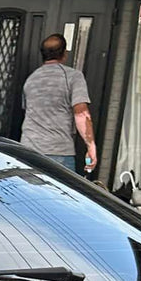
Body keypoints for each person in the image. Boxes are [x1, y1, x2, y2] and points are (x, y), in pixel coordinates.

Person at [20, 33, 97, 175]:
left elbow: (28, 111)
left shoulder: (31, 80)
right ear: (64, 54)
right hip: (58, 152)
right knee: (60, 196)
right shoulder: (73, 76)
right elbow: (81, 113)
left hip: (28, 150)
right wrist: (91, 147)